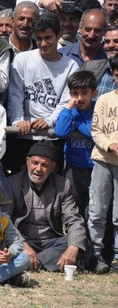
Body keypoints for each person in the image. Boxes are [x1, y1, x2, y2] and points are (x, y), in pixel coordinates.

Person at [6, 12, 79, 174]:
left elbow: (66, 102)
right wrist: (18, 120)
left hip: (52, 137)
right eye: (39, 39)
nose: (43, 43)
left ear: (58, 35)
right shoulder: (23, 59)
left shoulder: (71, 66)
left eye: (48, 38)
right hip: (23, 135)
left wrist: (49, 120)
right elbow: (15, 95)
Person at [3, 141, 87, 272]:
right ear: (27, 162)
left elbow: (74, 219)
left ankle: (29, 262)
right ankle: (42, 262)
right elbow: (5, 220)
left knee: (80, 244)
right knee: (3, 244)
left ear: (52, 167)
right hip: (22, 240)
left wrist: (73, 248)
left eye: (44, 165)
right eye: (35, 163)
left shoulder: (62, 185)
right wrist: (23, 244)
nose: (38, 169)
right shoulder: (12, 183)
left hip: (50, 242)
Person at [87, 58, 118, 274]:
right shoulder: (105, 100)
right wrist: (110, 145)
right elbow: (95, 129)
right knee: (97, 208)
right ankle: (96, 254)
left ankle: (116, 256)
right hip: (102, 159)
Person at [53, 70, 97, 217]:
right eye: (75, 93)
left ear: (93, 93)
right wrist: (68, 107)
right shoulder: (69, 111)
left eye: (84, 93)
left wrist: (77, 125)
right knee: (74, 204)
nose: (79, 98)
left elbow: (94, 131)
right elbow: (60, 132)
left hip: (95, 167)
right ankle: (77, 237)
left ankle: (94, 239)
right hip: (73, 167)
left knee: (93, 207)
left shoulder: (97, 109)